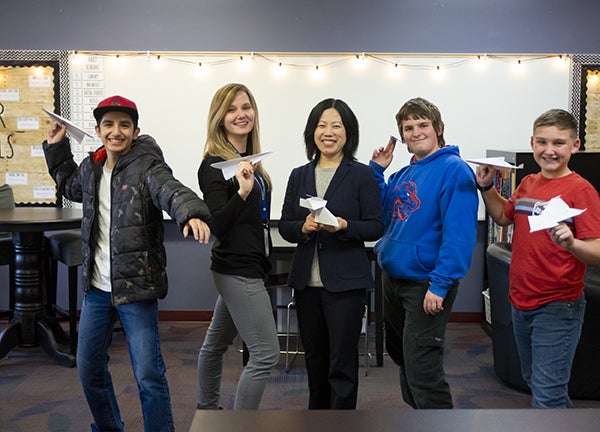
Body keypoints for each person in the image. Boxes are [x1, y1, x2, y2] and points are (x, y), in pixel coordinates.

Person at [43, 95, 211, 432]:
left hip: (135, 287)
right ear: (98, 130)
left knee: (149, 374)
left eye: (124, 125)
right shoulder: (92, 167)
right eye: (109, 125)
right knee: (89, 369)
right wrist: (56, 147)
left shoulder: (146, 165)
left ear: (135, 131)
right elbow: (69, 185)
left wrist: (190, 212)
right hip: (97, 289)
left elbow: (171, 190)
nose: (116, 131)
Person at [475, 108, 600, 408]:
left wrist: (572, 243)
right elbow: (502, 216)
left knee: (547, 396)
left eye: (559, 143)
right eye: (542, 142)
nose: (549, 151)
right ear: (532, 142)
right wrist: (486, 186)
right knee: (538, 385)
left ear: (575, 145)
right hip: (520, 301)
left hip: (558, 306)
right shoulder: (529, 183)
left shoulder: (581, 190)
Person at [370, 97, 478, 409]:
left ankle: (437, 421)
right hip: (393, 278)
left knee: (422, 367)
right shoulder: (403, 174)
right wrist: (377, 172)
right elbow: (382, 216)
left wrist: (440, 284)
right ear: (401, 136)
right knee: (403, 357)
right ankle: (418, 418)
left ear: (438, 129)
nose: (415, 132)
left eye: (422, 125)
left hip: (425, 284)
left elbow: (459, 236)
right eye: (408, 127)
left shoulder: (454, 171)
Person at [279, 98, 384, 409]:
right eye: (322, 125)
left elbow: (376, 226)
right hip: (307, 283)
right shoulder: (299, 174)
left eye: (336, 125)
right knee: (314, 359)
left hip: (346, 285)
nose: (328, 132)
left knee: (342, 362)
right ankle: (317, 420)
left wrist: (344, 225)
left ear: (347, 132)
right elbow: (286, 225)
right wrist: (304, 227)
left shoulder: (361, 175)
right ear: (312, 132)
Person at [196, 83, 280, 410]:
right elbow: (217, 224)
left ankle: (207, 413)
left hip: (248, 265)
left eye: (246, 107)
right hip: (237, 269)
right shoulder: (215, 165)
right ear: (219, 118)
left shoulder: (249, 160)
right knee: (265, 355)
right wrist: (242, 193)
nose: (240, 114)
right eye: (231, 109)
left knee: (214, 345)